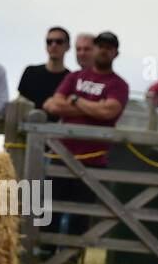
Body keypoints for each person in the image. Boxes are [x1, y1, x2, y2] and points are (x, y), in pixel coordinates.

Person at [42, 30, 128, 238]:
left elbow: (109, 112)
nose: (104, 51)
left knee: (81, 215)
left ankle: (71, 260)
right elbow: (54, 105)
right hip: (61, 155)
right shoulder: (75, 77)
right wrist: (93, 108)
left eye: (109, 48)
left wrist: (75, 100)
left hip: (94, 159)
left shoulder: (118, 84)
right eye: (101, 46)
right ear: (95, 49)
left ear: (116, 53)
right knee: (50, 210)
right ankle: (45, 254)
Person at [17, 25, 70, 121]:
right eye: (49, 42)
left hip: (58, 132)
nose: (54, 45)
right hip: (27, 130)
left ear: (68, 46)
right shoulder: (30, 72)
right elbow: (20, 102)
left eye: (59, 42)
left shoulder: (70, 78)